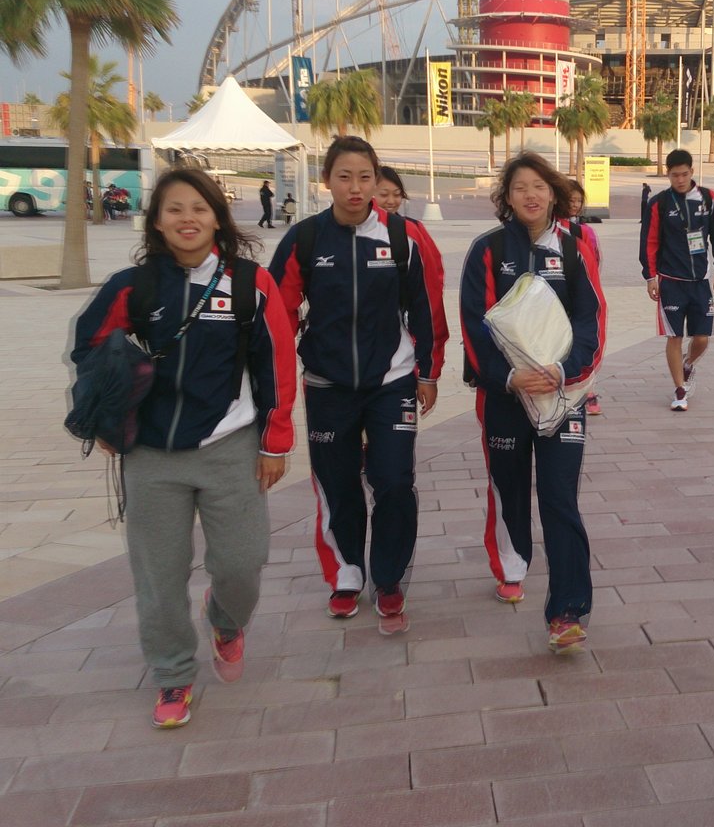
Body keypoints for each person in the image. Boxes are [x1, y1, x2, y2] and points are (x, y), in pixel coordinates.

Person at [69, 167, 296, 729]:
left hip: (229, 446)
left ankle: (225, 620)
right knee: (159, 575)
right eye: (174, 209)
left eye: (199, 207)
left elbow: (276, 363)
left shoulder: (249, 284)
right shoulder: (133, 286)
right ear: (157, 222)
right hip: (150, 455)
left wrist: (275, 442)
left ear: (217, 217)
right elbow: (88, 347)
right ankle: (172, 673)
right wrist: (107, 410)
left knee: (243, 562)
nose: (187, 218)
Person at [268, 136, 448, 631]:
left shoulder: (403, 236)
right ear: (326, 180)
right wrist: (275, 385)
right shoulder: (305, 239)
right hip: (327, 385)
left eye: (365, 177)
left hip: (393, 380)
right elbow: (277, 317)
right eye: (344, 177)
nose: (355, 187)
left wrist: (428, 372)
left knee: (394, 481)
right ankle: (346, 573)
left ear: (376, 180)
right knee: (338, 483)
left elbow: (427, 306)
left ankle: (388, 578)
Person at [460, 151, 606, 653]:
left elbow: (591, 321)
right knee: (509, 488)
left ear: (553, 193)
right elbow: (473, 325)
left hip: (562, 396)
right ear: (507, 196)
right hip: (504, 397)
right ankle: (512, 564)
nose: (531, 195)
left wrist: (564, 372)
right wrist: (508, 377)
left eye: (539, 186)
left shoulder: (574, 251)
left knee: (560, 497)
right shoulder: (487, 250)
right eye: (520, 187)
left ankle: (567, 611)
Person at [639, 148, 714, 411]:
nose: (680, 179)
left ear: (692, 172)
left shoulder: (708, 198)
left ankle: (688, 364)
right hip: (670, 282)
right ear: (668, 174)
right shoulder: (659, 203)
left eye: (684, 174)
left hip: (700, 282)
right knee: (674, 336)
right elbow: (649, 242)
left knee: (702, 338)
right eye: (675, 175)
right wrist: (650, 277)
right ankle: (679, 390)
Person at [563, 179, 603, 416]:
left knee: (583, 342)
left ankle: (588, 391)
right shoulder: (547, 228)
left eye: (579, 200)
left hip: (579, 297)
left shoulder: (585, 232)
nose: (575, 205)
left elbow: (594, 263)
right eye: (571, 200)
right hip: (556, 299)